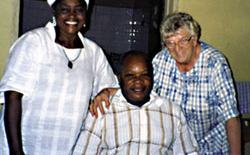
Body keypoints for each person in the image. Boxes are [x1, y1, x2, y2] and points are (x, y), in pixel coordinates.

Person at [90, 12, 241, 155]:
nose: (177, 48)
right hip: (176, 144)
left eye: (183, 40)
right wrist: (108, 92)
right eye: (170, 43)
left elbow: (230, 116)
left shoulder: (215, 63)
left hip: (210, 145)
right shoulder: (162, 60)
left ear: (194, 39)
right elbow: (141, 85)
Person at [0, 0, 118, 154]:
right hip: (27, 145)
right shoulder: (34, 42)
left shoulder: (93, 52)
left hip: (69, 148)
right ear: (54, 11)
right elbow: (13, 97)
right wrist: (16, 152)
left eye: (78, 10)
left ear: (86, 14)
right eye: (65, 10)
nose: (72, 16)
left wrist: (105, 92)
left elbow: (113, 89)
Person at [72, 51, 199, 155]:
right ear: (120, 78)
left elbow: (189, 152)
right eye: (130, 76)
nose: (138, 81)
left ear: (152, 78)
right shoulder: (103, 110)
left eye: (144, 75)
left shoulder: (172, 112)